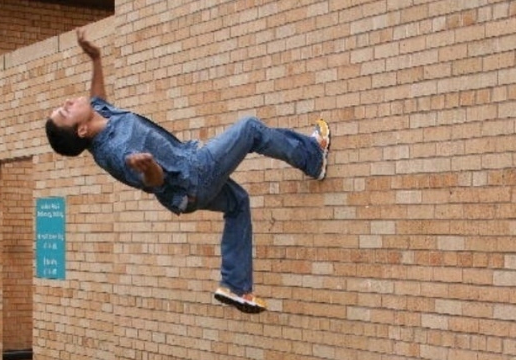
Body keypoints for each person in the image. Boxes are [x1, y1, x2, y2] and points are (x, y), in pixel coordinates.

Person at [45, 28, 331, 314]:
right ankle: (313, 157)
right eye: (65, 111)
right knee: (250, 128)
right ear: (81, 130)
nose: (68, 102)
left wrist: (96, 59)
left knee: (238, 203)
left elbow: (98, 102)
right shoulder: (118, 151)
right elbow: (154, 183)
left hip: (186, 192)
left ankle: (235, 286)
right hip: (193, 175)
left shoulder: (98, 119)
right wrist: (151, 168)